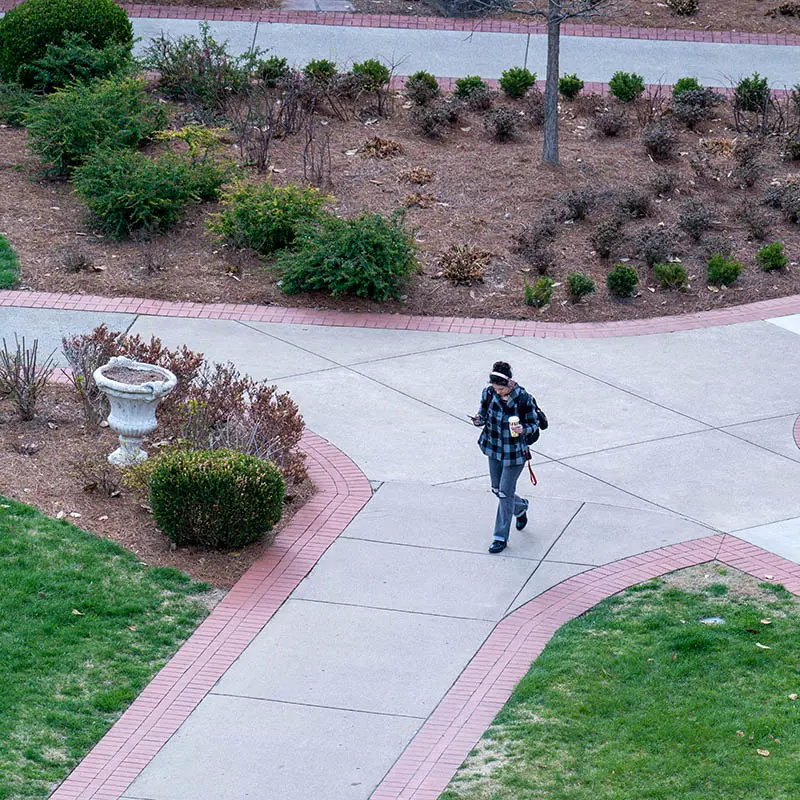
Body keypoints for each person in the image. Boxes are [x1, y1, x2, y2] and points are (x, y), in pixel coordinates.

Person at [470, 361, 539, 554]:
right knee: (496, 489)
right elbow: (483, 414)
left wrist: (523, 429)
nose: (497, 392)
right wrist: (478, 420)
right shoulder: (488, 393)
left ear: (509, 383)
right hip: (493, 448)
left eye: (500, 388)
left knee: (504, 493)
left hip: (515, 453)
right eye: (495, 388)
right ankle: (520, 508)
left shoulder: (524, 398)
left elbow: (535, 424)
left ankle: (500, 537)